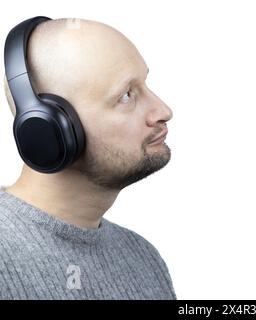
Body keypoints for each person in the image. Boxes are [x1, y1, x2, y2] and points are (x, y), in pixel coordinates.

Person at [0, 17, 176, 299]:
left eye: (145, 84)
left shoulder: (144, 259)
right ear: (50, 129)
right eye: (127, 95)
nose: (163, 110)